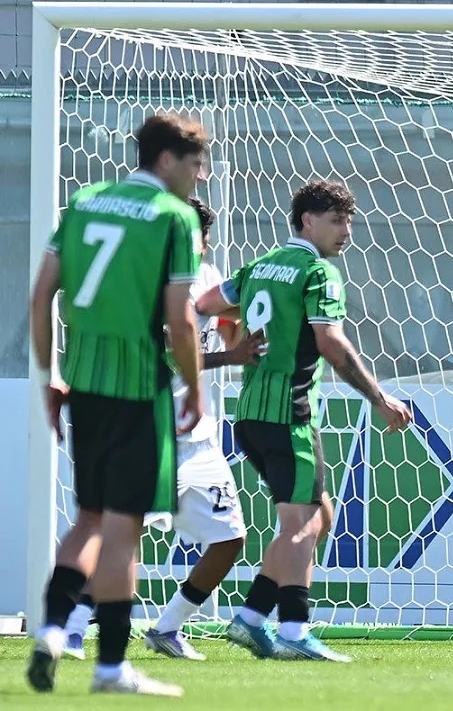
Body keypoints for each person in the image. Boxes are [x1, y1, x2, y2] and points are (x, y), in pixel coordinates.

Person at [28, 113, 208, 696]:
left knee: (87, 518)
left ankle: (53, 631)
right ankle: (110, 667)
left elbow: (41, 294)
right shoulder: (174, 217)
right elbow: (182, 319)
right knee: (122, 529)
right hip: (137, 389)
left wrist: (49, 375)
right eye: (195, 163)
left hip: (84, 382)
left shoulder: (84, 201)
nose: (200, 177)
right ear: (166, 160)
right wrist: (195, 386)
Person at [196, 179, 411, 661]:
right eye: (337, 221)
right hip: (288, 413)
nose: (347, 231)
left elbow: (205, 305)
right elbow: (331, 344)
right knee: (302, 523)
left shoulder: (259, 267)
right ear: (307, 221)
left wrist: (239, 339)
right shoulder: (318, 273)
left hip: (249, 414)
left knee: (320, 518)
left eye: (349, 221)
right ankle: (294, 631)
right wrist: (378, 398)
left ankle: (251, 618)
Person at [63, 196, 267, 662]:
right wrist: (230, 357)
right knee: (120, 535)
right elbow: (170, 354)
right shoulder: (148, 283)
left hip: (199, 439)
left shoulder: (211, 277)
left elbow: (226, 325)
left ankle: (168, 628)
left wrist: (246, 321)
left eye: (204, 238)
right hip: (151, 432)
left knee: (230, 539)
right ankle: (73, 627)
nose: (200, 246)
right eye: (192, 236)